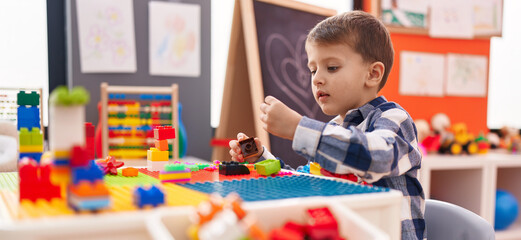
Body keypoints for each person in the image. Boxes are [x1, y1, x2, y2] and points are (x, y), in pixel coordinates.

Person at [228, 10, 425, 239]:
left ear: (372, 74)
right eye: (313, 69)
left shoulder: (393, 118)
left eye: (331, 67)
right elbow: (307, 181)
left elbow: (377, 158)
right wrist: (261, 158)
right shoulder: (333, 130)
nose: (316, 79)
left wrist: (298, 128)